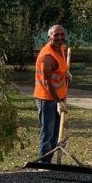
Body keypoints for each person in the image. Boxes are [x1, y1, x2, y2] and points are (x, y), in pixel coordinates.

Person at [33, 25, 70, 162]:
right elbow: (47, 82)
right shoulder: (46, 57)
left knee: (56, 132)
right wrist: (58, 102)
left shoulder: (60, 48)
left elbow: (60, 67)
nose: (59, 37)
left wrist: (66, 72)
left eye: (62, 34)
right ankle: (43, 163)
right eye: (56, 35)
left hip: (58, 95)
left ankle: (50, 161)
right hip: (46, 98)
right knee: (47, 132)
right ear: (49, 37)